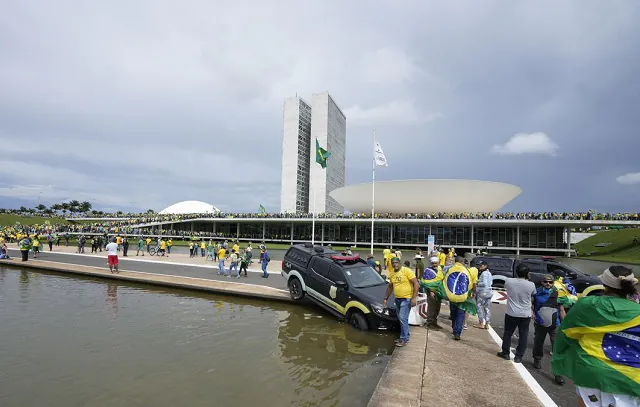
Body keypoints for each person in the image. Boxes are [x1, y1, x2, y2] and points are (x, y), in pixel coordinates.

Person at [552, 266, 639, 406]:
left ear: (604, 284)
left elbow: (567, 332)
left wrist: (561, 357)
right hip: (632, 377)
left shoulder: (588, 304)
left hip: (591, 370)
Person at [497, 263, 536, 363]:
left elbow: (507, 286)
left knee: (508, 333)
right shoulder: (531, 285)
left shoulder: (509, 281)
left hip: (511, 312)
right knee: (523, 335)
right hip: (525, 313)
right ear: (527, 273)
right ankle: (518, 356)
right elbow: (533, 295)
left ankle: (505, 353)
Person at [532, 274, 565, 385]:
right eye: (546, 281)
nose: (548, 284)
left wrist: (564, 323)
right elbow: (531, 305)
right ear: (542, 282)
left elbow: (561, 309)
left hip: (555, 324)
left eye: (550, 282)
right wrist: (532, 314)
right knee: (538, 343)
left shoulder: (557, 293)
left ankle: (558, 374)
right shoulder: (537, 292)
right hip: (541, 323)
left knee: (556, 347)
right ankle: (537, 359)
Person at [383, 256, 420, 347]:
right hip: (398, 299)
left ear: (399, 263)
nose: (395, 264)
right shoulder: (391, 274)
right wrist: (386, 298)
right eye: (393, 263)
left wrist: (414, 298)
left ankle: (404, 339)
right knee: (401, 318)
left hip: (406, 299)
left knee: (403, 318)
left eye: (396, 262)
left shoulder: (406, 271)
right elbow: (390, 287)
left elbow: (416, 283)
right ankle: (404, 336)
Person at [422, 256, 444, 330]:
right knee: (432, 307)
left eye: (436, 263)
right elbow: (426, 282)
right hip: (431, 291)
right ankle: (429, 323)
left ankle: (434, 322)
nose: (435, 264)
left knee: (437, 307)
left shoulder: (440, 269)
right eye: (433, 263)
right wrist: (431, 291)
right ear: (431, 263)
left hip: (438, 291)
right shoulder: (428, 270)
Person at [474, 259, 493, 329]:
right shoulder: (489, 273)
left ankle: (481, 322)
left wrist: (477, 283)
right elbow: (490, 283)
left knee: (479, 306)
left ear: (485, 266)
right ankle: (487, 323)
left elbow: (484, 283)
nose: (480, 266)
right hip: (490, 291)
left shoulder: (484, 273)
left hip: (483, 292)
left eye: (481, 265)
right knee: (487, 308)